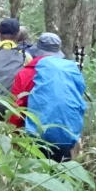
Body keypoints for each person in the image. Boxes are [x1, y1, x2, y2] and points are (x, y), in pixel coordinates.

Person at [9, 32, 87, 160]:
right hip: (68, 137)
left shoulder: (27, 72)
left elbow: (16, 109)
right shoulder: (72, 70)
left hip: (36, 139)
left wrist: (13, 136)